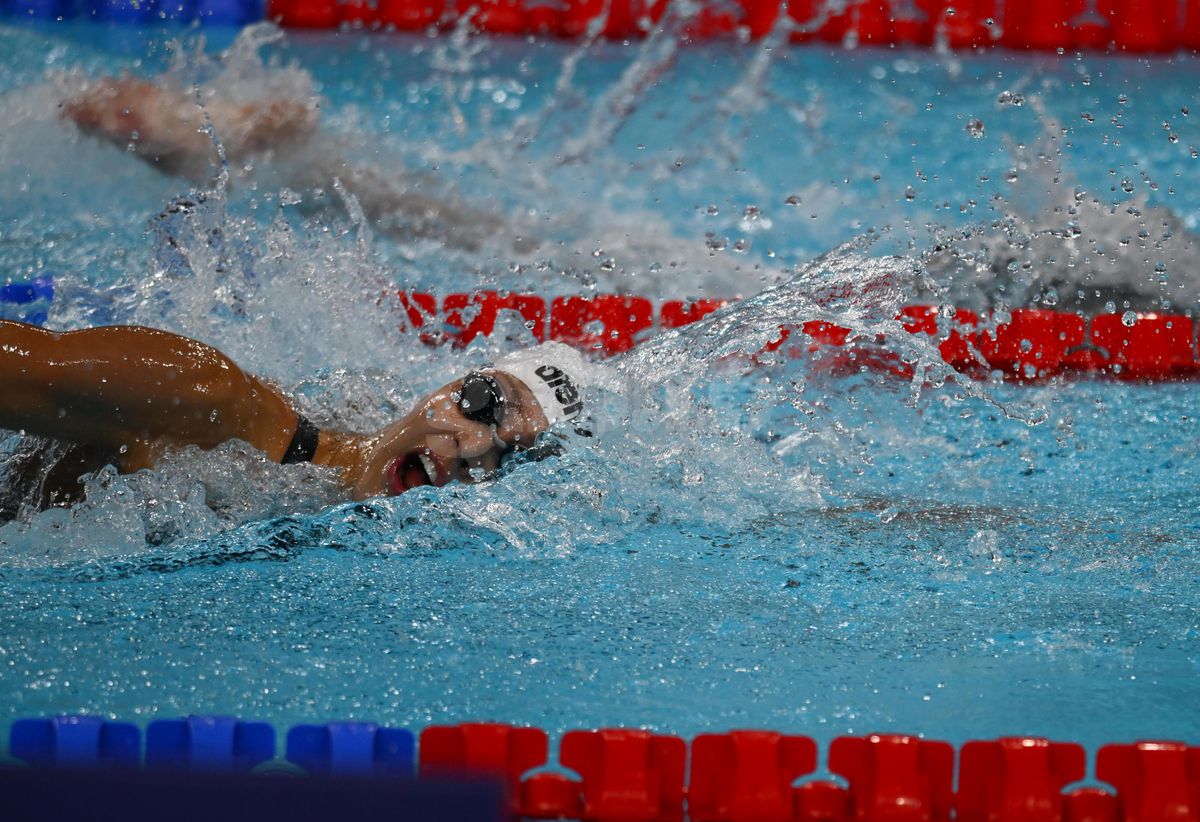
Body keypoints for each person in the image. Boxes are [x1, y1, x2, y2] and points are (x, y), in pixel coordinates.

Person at [0, 319, 588, 512]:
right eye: (483, 402)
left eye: (516, 456)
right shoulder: (209, 397)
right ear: (447, 384)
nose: (470, 447)